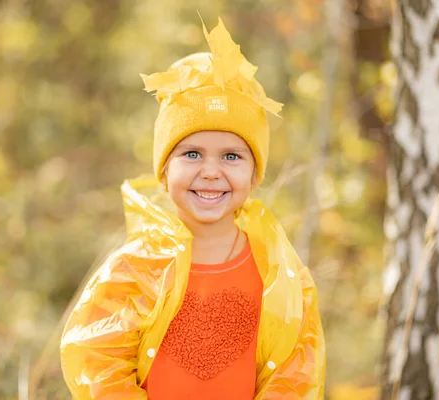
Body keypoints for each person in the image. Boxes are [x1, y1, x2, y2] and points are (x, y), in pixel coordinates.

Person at [60, 17, 325, 400]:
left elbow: (295, 374)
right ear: (165, 171)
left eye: (232, 155)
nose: (211, 172)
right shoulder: (136, 267)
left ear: (255, 174)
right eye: (192, 153)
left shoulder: (280, 276)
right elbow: (98, 361)